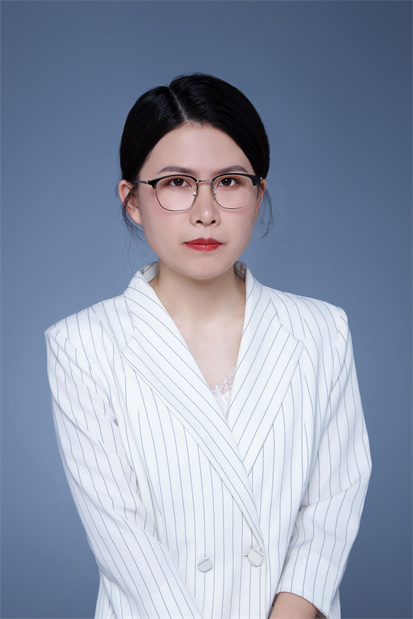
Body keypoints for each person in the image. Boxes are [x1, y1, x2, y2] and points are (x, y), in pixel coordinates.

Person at [45, 74, 371, 619]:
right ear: (132, 200)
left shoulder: (321, 331)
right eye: (176, 182)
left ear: (258, 194)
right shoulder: (81, 345)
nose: (205, 211)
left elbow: (332, 508)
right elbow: (126, 546)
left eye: (229, 181)